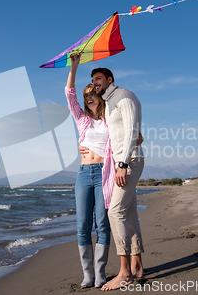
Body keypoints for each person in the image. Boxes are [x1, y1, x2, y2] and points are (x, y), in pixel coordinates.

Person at [65, 55, 143, 289]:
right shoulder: (81, 120)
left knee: (103, 222)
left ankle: (100, 273)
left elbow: (126, 131)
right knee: (82, 225)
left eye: (92, 94)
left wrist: (138, 137)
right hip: (83, 174)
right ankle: (87, 274)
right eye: (86, 95)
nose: (89, 98)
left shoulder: (109, 117)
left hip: (104, 173)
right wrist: (74, 67)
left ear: (100, 96)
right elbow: (69, 93)